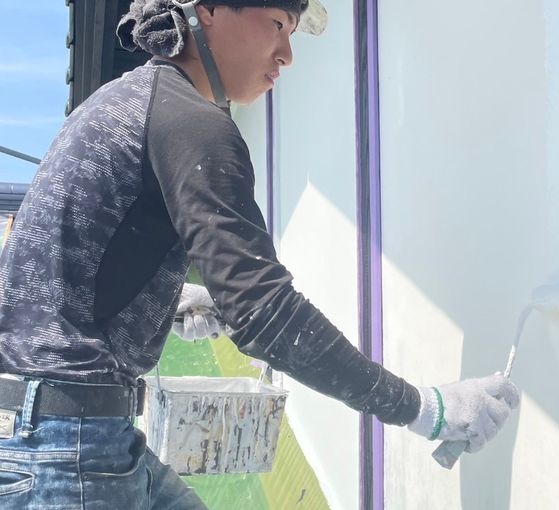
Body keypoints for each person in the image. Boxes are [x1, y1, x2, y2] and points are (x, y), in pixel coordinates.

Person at [0, 1, 519, 508]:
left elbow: (61, 271)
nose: (287, 54)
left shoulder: (127, 100)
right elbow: (267, 315)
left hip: (47, 426)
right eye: (276, 24)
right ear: (206, 11)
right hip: (65, 445)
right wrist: (425, 409)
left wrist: (170, 302)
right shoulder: (190, 122)